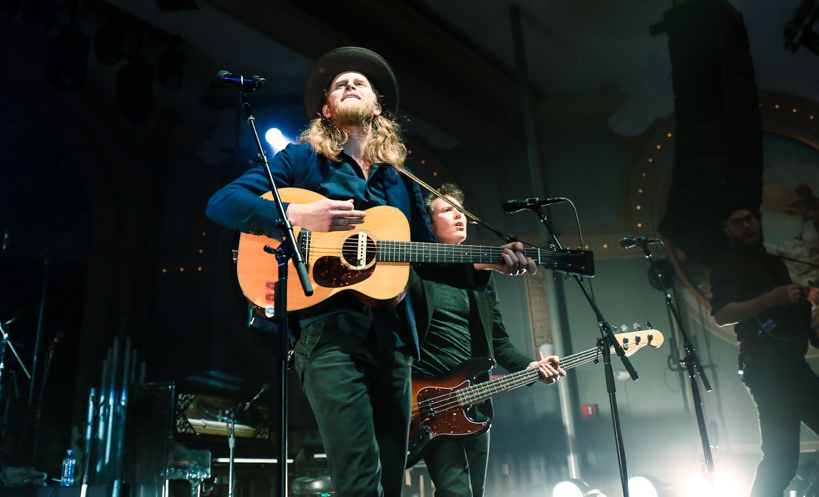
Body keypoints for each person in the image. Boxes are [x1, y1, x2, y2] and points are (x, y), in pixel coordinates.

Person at [205, 47, 536, 497]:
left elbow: (425, 258)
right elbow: (222, 204)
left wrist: (487, 263)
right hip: (329, 338)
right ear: (326, 110)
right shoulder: (301, 161)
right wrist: (302, 216)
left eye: (359, 82)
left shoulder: (399, 181)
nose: (349, 85)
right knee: (360, 480)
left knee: (389, 481)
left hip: (395, 343)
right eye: (339, 84)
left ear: (377, 108)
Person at [412, 184, 565, 497]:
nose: (459, 216)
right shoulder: (418, 273)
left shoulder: (482, 280)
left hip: (476, 401)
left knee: (475, 493)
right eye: (446, 210)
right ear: (429, 225)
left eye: (462, 211)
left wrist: (531, 365)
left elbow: (499, 342)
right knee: (455, 492)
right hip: (433, 401)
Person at [710, 207, 819, 496]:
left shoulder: (772, 262)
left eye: (751, 218)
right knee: (782, 461)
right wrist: (774, 297)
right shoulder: (727, 265)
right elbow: (722, 314)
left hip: (793, 367)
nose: (747, 225)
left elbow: (782, 316)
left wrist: (803, 300)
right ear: (727, 229)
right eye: (738, 221)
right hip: (766, 372)